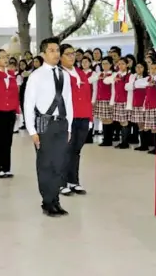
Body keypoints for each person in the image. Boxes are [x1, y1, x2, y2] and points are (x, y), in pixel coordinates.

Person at [24, 37, 73, 217]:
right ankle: (47, 201)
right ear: (43, 54)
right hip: (44, 124)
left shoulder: (64, 75)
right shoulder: (36, 76)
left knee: (59, 164)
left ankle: (56, 200)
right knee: (46, 164)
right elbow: (28, 104)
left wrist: (69, 127)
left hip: (61, 123)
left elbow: (69, 102)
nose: (56, 54)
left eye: (57, 50)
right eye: (51, 50)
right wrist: (32, 130)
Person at [59, 44, 92, 196]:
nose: (72, 56)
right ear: (60, 57)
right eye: (68, 54)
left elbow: (87, 96)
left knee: (76, 150)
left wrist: (90, 117)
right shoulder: (59, 73)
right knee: (65, 150)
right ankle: (61, 182)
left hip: (83, 116)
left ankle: (73, 181)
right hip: (67, 118)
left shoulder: (80, 73)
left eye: (73, 53)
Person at [0, 49, 20, 178]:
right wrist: (9, 75)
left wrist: (17, 110)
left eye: (6, 57)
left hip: (10, 111)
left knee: (8, 141)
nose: (5, 59)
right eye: (2, 57)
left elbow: (14, 94)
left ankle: (7, 167)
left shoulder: (11, 74)